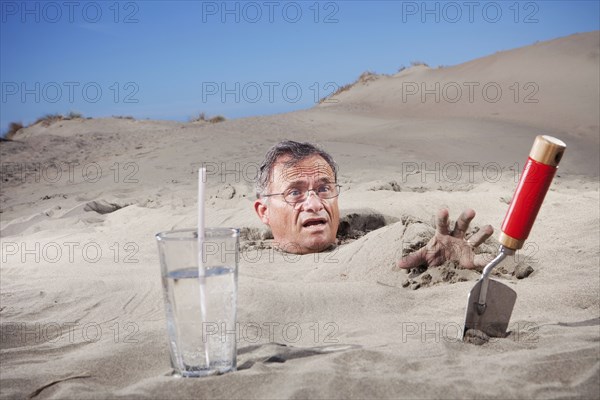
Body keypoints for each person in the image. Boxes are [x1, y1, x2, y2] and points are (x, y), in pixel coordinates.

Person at [254, 140, 493, 269]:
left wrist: (444, 258)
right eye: (295, 192)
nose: (315, 203)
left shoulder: (379, 246)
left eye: (324, 188)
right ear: (264, 212)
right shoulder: (242, 272)